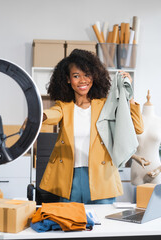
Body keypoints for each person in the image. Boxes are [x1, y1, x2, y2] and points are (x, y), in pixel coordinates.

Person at [39, 49, 144, 204]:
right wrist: (39, 116)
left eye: (87, 75)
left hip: (102, 179)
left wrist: (129, 96)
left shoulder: (105, 105)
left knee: (102, 226)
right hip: (70, 179)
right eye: (76, 76)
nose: (82, 80)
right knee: (71, 225)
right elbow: (53, 115)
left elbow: (137, 128)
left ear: (94, 76)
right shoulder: (63, 106)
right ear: (68, 79)